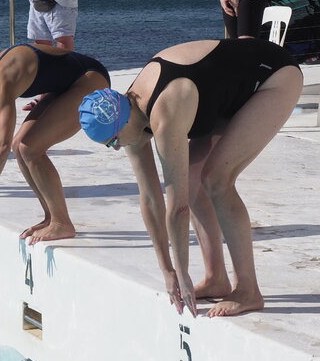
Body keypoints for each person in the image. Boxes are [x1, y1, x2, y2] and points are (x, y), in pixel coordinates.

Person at [78, 38, 302, 318]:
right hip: (223, 91)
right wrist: (167, 271)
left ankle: (248, 290)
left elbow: (177, 205)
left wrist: (182, 272)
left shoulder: (164, 112)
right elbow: (149, 198)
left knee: (217, 181)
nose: (116, 149)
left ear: (120, 123)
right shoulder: (127, 112)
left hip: (273, 76)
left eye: (113, 142)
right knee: (196, 183)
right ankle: (215, 278)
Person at [0, 45, 109, 243]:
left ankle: (62, 223)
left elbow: (1, 145)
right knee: (19, 145)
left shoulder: (3, 80)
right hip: (65, 85)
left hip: (89, 80)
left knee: (30, 148)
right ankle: (51, 217)